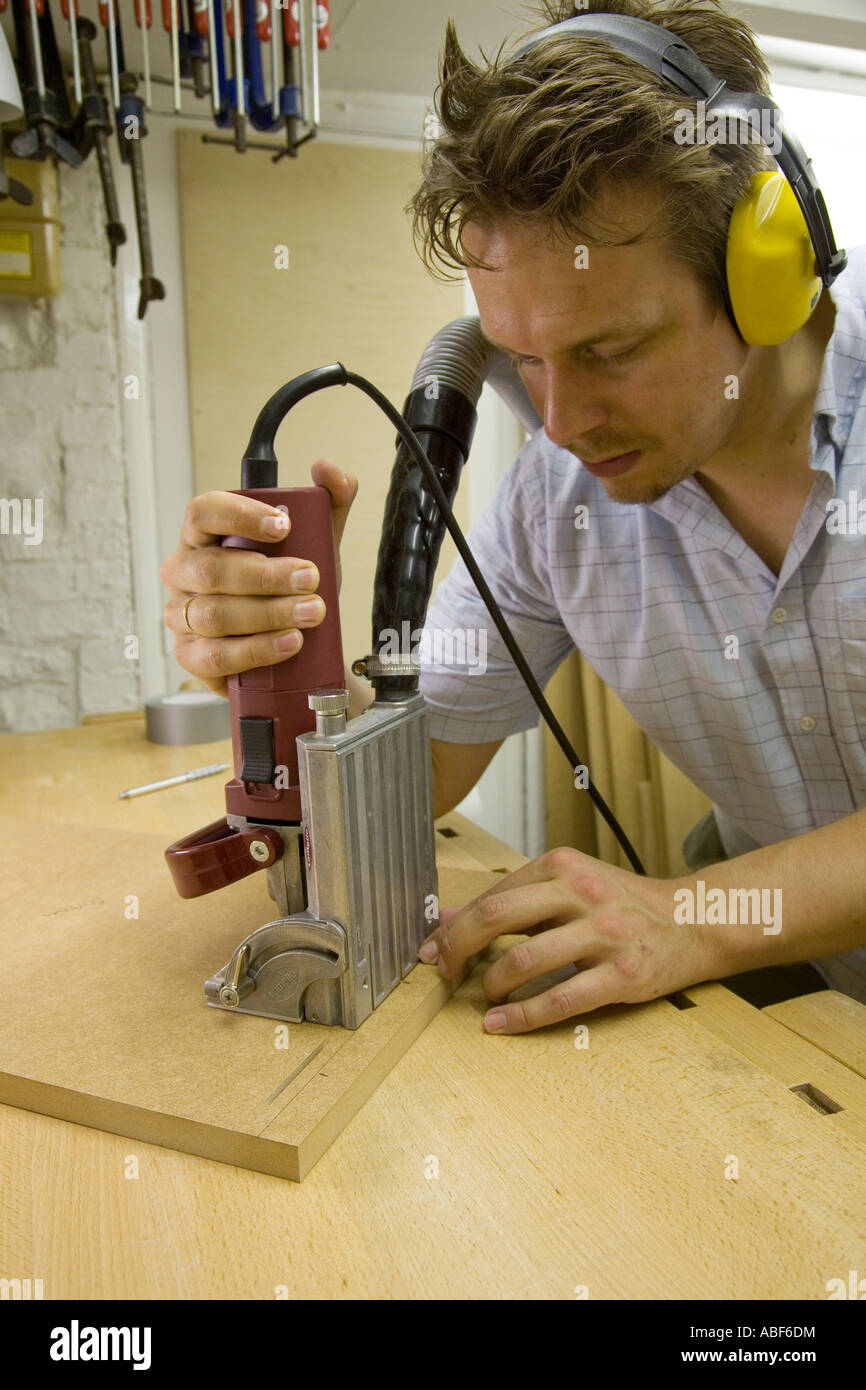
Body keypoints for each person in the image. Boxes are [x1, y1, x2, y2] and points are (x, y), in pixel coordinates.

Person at [160, 0, 866, 1033]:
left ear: (764, 272)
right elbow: (424, 762)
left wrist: (693, 914)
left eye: (608, 350)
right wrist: (287, 661)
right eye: (522, 357)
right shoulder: (558, 501)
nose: (561, 420)